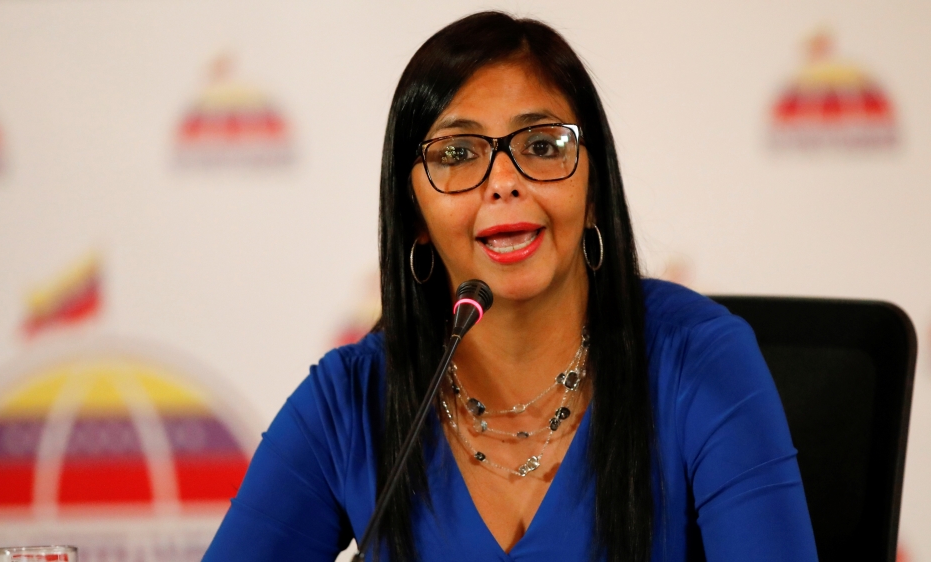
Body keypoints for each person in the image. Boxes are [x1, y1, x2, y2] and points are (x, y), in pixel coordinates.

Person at [203, 11, 818, 562]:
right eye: (457, 154)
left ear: (594, 185)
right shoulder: (351, 404)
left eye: (543, 145)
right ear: (413, 213)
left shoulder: (699, 362)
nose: (503, 182)